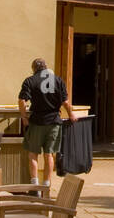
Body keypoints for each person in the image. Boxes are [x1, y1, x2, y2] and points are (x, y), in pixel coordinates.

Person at [18, 58, 73, 187]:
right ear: (46, 67)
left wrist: (24, 117)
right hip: (54, 122)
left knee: (33, 154)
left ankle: (35, 185)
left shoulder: (30, 81)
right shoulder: (58, 80)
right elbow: (65, 102)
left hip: (37, 122)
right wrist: (71, 114)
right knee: (49, 155)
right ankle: (47, 185)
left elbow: (22, 101)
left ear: (34, 69)